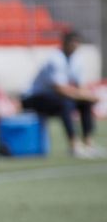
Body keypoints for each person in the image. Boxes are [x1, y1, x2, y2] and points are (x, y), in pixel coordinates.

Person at [21, 29, 101, 158]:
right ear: (65, 43)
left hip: (55, 96)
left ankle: (88, 143)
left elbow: (80, 86)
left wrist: (88, 96)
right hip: (34, 97)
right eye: (73, 43)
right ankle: (74, 145)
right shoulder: (55, 59)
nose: (75, 47)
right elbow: (59, 89)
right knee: (65, 104)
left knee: (85, 103)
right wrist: (84, 95)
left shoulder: (76, 59)